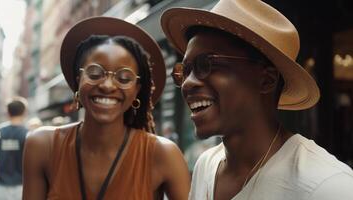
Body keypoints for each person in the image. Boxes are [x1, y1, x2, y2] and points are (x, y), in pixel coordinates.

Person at [161, 0, 353, 199]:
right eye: (186, 71)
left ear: (266, 80)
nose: (187, 83)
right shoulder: (205, 166)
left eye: (206, 64)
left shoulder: (327, 186)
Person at [23, 17, 190, 200]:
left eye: (124, 78)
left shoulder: (163, 154)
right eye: (95, 73)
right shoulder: (42, 145)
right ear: (78, 81)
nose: (108, 86)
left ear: (137, 90)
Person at [0, 97, 28, 200]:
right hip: (22, 187)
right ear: (24, 112)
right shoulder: (29, 134)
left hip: (0, 187)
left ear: (8, 113)